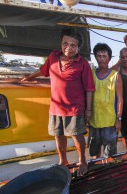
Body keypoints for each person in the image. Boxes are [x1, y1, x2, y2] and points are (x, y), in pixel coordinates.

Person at [21, 28, 95, 176]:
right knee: (58, 135)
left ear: (78, 47)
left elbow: (89, 88)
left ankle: (83, 161)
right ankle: (63, 161)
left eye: (73, 45)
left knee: (77, 136)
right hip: (56, 108)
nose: (68, 48)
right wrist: (30, 77)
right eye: (65, 43)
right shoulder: (54, 56)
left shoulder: (83, 63)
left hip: (75, 108)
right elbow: (43, 70)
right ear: (61, 43)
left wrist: (88, 110)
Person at [88, 43, 123, 159]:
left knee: (110, 154)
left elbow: (120, 98)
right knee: (94, 152)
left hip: (110, 121)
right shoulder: (91, 73)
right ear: (95, 57)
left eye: (104, 56)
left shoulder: (115, 76)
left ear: (109, 58)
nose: (101, 59)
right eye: (99, 56)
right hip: (94, 120)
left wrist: (118, 119)